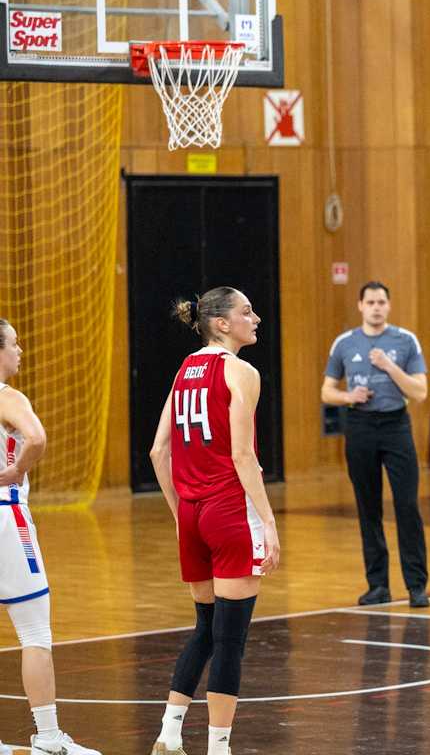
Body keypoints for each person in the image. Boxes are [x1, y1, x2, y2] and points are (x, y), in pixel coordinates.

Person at [148, 288, 281, 755]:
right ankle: (219, 748)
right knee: (229, 640)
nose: (256, 318)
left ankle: (169, 734)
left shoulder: (185, 368)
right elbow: (243, 455)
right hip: (228, 511)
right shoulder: (241, 371)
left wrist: (179, 514)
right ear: (222, 323)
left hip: (192, 513)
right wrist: (268, 521)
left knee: (205, 628)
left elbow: (158, 451)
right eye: (247, 311)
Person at [0, 321, 100, 755]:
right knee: (35, 630)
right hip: (6, 517)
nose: (20, 350)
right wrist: (18, 469)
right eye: (14, 343)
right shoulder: (8, 396)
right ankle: (49, 738)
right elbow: (37, 437)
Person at [321, 281, 429, 607]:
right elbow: (326, 391)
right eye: (370, 302)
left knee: (407, 505)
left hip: (396, 426)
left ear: (389, 305)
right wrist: (348, 396)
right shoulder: (344, 343)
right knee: (368, 508)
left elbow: (420, 392)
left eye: (381, 302)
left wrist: (389, 366)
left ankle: (416, 586)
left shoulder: (405, 340)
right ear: (360, 306)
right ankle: (378, 586)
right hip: (360, 426)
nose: (376, 307)